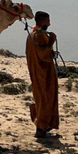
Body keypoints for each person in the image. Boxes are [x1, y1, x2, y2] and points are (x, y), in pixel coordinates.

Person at [26, 11, 59, 139]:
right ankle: (41, 128)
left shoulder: (34, 34)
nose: (49, 23)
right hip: (43, 73)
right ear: (41, 21)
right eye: (47, 21)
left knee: (43, 98)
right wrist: (51, 42)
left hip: (41, 72)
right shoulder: (38, 35)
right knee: (45, 99)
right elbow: (43, 54)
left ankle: (45, 125)